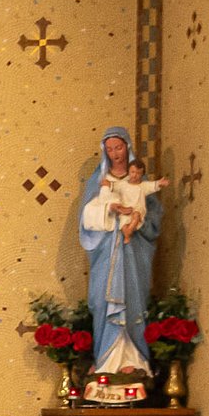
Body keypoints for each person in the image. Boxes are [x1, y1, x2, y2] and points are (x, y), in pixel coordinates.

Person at [76, 126, 163, 377]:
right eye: (110, 149)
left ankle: (135, 360)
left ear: (128, 147)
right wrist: (110, 210)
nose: (115, 153)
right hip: (106, 252)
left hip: (133, 252)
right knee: (102, 302)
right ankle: (106, 360)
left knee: (134, 301)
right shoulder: (100, 179)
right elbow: (86, 218)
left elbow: (155, 217)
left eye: (119, 147)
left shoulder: (141, 181)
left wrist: (137, 218)